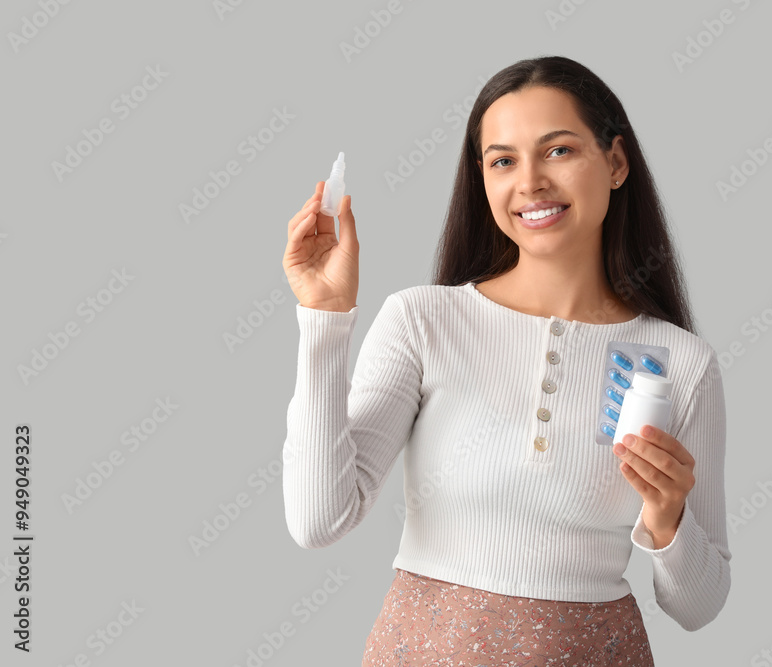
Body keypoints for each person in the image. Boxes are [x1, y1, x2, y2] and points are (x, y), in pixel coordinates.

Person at [281, 55, 731, 666]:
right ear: (483, 180)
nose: (531, 183)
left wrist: (668, 518)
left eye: (559, 151)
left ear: (616, 162)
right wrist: (325, 322)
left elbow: (697, 607)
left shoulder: (680, 363)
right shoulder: (423, 322)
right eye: (503, 161)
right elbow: (318, 520)